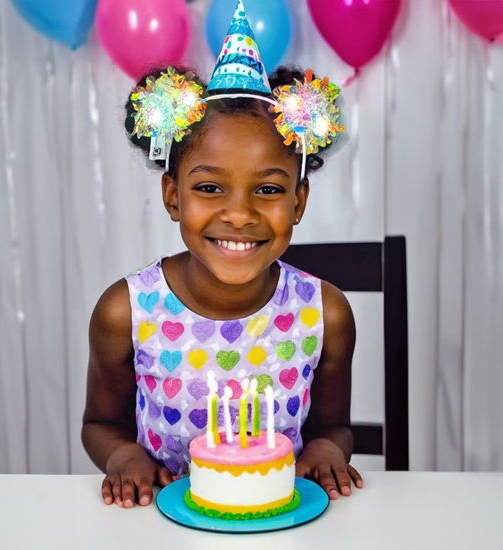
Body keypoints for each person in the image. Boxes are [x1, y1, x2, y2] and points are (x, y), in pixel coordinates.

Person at [82, 1, 363, 510]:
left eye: (269, 190)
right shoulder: (125, 313)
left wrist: (327, 447)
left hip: (283, 527)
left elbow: (333, 426)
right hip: (159, 529)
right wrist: (123, 456)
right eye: (210, 187)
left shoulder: (327, 314)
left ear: (298, 201)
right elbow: (100, 425)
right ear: (173, 196)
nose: (239, 215)